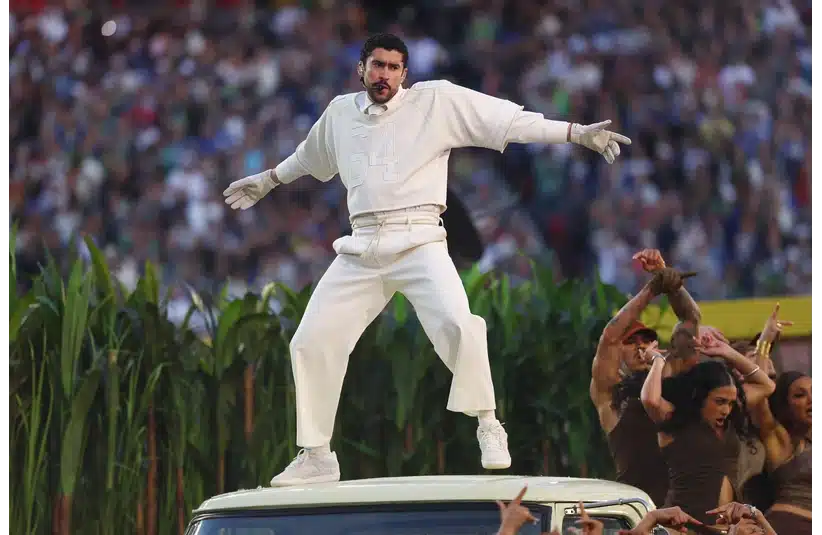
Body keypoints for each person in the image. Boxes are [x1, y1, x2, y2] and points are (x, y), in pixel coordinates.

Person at [222, 33, 633, 486]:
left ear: (405, 73)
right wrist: (268, 179)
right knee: (310, 340)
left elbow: (508, 121)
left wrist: (575, 132)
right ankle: (317, 455)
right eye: (377, 65)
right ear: (361, 69)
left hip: (420, 240)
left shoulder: (435, 101)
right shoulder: (340, 113)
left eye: (393, 67)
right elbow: (308, 157)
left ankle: (488, 423)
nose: (384, 75)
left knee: (458, 323)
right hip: (361, 246)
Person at [590, 248, 699, 507]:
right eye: (632, 341)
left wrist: (669, 281)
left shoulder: (671, 377)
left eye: (647, 340)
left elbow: (690, 319)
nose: (641, 346)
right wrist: (652, 288)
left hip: (681, 508)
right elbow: (610, 337)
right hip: (635, 510)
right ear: (620, 351)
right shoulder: (612, 393)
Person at [640, 338, 776, 524]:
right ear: (699, 396)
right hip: (685, 525)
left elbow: (767, 385)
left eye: (730, 403)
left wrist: (727, 352)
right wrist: (657, 361)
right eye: (719, 402)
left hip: (724, 526)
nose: (726, 410)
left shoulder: (728, 420)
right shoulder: (677, 420)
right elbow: (650, 400)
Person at [751, 369, 814, 535]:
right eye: (800, 395)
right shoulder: (782, 442)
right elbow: (761, 388)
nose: (811, 399)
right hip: (788, 525)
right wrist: (762, 351)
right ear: (785, 407)